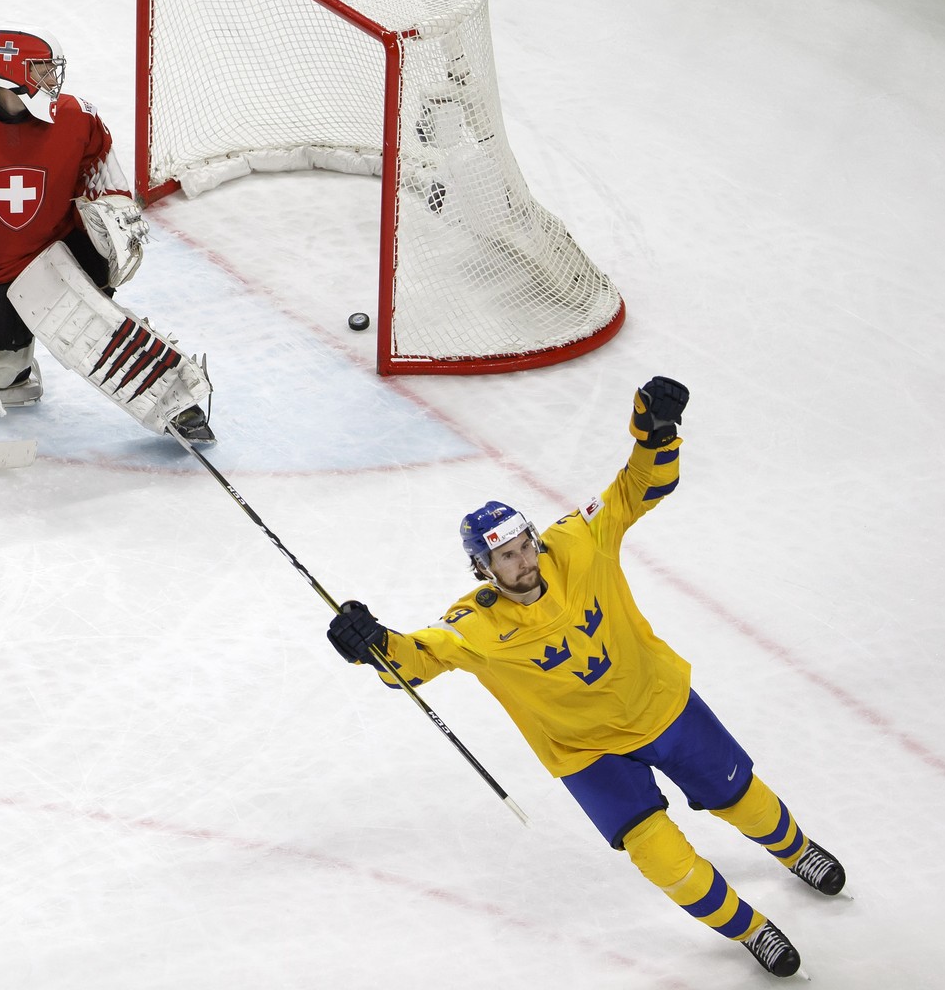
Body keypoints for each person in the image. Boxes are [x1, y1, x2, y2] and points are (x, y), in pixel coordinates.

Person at [324, 377, 844, 978]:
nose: (524, 561)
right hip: (586, 752)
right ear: (483, 569)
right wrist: (373, 644)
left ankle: (798, 851)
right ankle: (752, 929)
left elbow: (636, 489)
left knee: (742, 799)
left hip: (660, 704)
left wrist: (655, 436)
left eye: (525, 545)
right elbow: (415, 659)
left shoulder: (577, 541)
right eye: (507, 556)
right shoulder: (472, 626)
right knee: (661, 859)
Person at [0, 26, 214, 442]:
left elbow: (109, 191)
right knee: (6, 383)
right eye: (43, 70)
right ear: (13, 71)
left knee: (91, 326)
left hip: (55, 261)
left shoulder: (78, 117)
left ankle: (170, 396)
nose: (53, 81)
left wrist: (113, 225)